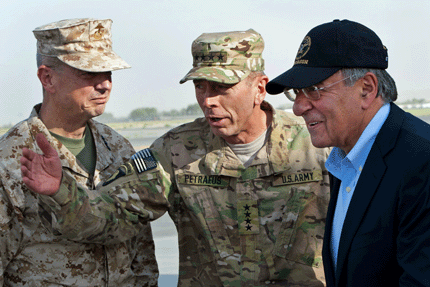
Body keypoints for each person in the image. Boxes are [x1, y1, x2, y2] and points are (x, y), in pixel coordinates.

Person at [21, 29, 331, 286]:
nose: (208, 101)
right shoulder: (177, 150)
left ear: (259, 88)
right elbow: (112, 216)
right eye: (200, 86)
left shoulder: (315, 144)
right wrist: (62, 191)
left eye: (222, 87)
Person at [265, 19, 430, 286]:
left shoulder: (421, 160)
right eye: (296, 92)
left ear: (366, 89)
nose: (298, 107)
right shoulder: (346, 158)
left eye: (313, 90)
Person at [0, 18, 161, 286]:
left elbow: (139, 247)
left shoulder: (117, 145)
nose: (105, 84)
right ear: (47, 78)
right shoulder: (11, 158)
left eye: (108, 72)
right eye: (89, 73)